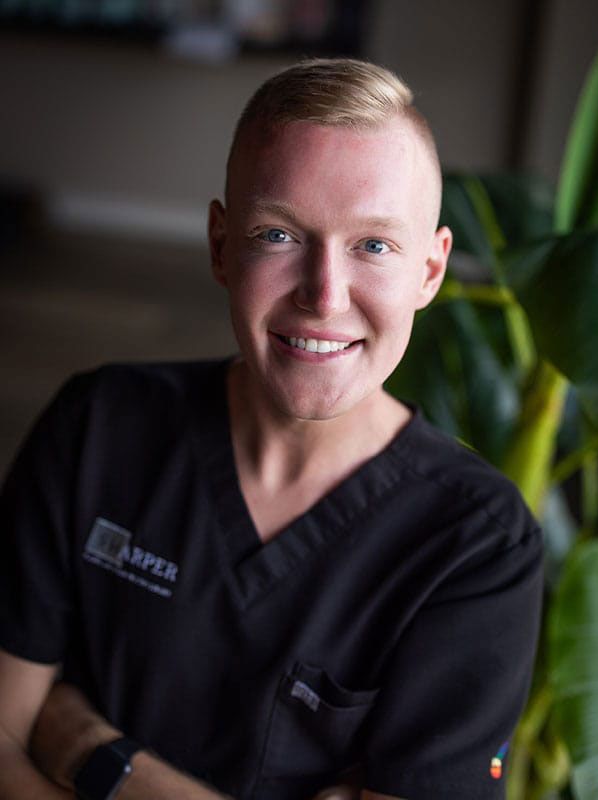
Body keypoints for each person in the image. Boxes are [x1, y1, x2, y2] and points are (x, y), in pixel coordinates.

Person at [0, 58, 543, 800]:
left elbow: (32, 732)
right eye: (279, 235)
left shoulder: (475, 542)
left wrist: (102, 756)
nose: (324, 296)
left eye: (373, 245)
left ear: (430, 269)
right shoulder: (99, 426)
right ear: (222, 244)